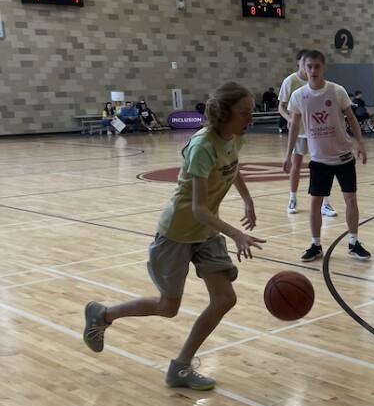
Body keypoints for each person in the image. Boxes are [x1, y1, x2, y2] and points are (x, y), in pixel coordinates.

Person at [82, 82, 266, 390]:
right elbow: (198, 209)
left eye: (251, 112)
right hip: (178, 233)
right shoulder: (202, 146)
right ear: (224, 114)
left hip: (206, 233)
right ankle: (103, 314)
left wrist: (247, 199)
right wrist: (235, 233)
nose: (251, 118)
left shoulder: (235, 136)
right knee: (168, 307)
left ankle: (180, 367)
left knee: (224, 299)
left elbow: (234, 169)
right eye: (244, 112)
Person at [283, 50, 371, 262]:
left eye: (317, 66)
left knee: (350, 199)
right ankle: (315, 245)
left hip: (343, 157)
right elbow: (294, 126)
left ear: (323, 68)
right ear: (303, 68)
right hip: (319, 160)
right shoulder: (298, 96)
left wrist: (360, 142)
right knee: (315, 203)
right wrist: (288, 154)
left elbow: (351, 118)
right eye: (309, 66)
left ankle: (353, 242)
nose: (313, 70)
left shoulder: (336, 91)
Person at [278, 49, 337, 218]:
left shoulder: (321, 82)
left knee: (322, 166)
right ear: (300, 63)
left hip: (318, 131)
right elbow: (281, 106)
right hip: (300, 131)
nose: (309, 68)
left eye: (313, 65)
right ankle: (293, 198)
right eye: (306, 64)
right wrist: (289, 118)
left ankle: (325, 202)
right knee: (296, 165)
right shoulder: (290, 81)